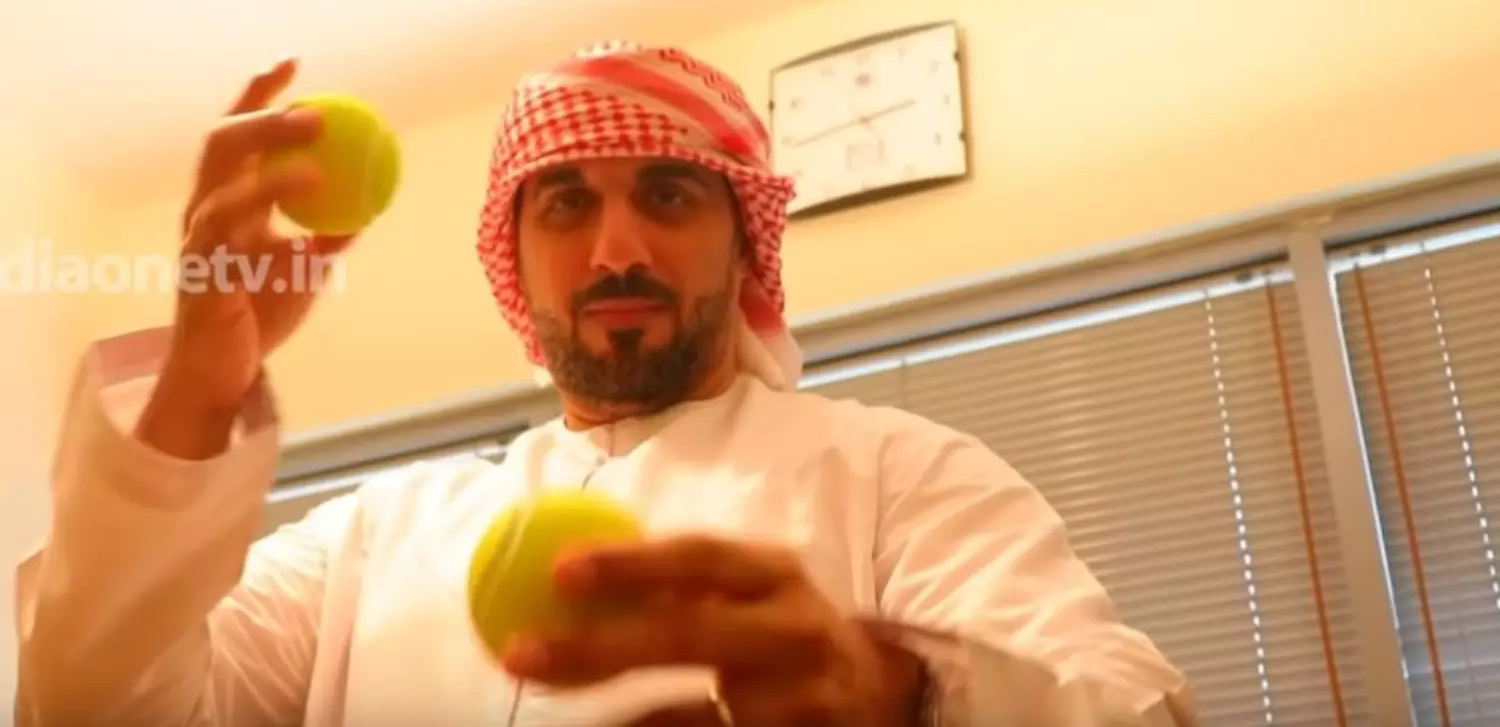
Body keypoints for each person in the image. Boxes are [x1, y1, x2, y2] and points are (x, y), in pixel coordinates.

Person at [13, 42, 1196, 726]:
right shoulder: (373, 537)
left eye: (668, 197)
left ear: (745, 249)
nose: (615, 250)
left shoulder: (896, 472)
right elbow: (89, 706)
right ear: (514, 259)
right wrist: (199, 385)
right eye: (567, 203)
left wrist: (909, 695)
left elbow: (1122, 705)